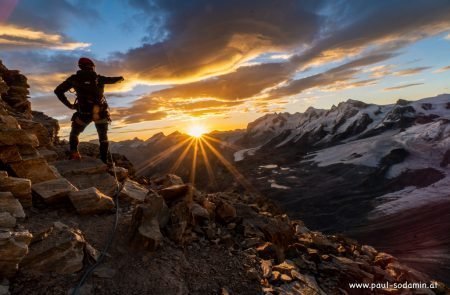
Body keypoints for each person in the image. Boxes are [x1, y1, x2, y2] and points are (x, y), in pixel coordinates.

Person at [54, 57, 124, 163]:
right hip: (100, 113)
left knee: (74, 133)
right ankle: (104, 161)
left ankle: (74, 154)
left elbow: (58, 91)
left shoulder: (73, 79)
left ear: (80, 67)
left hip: (83, 113)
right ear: (92, 66)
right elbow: (116, 79)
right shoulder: (99, 78)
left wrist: (70, 105)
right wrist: (121, 78)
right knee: (103, 137)